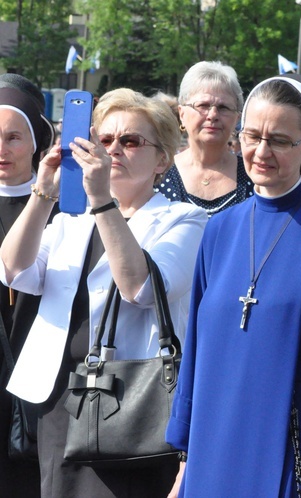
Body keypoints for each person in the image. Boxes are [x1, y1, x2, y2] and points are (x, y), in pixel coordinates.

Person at [165, 74, 301, 497]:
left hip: (297, 453)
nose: (261, 151)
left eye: (280, 140)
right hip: (213, 453)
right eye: (252, 136)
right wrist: (185, 464)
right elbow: (197, 353)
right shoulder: (220, 230)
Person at [0, 88, 208, 497]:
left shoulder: (185, 219)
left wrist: (100, 200)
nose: (114, 151)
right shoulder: (71, 220)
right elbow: (12, 269)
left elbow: (141, 288)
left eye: (130, 142)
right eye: (105, 140)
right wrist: (44, 193)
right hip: (59, 401)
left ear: (162, 159)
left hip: (130, 403)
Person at [0, 72, 55, 498]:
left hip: (40, 383)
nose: (1, 149)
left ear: (36, 140)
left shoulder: (62, 208)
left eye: (13, 137)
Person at [156, 61, 253, 216]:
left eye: (223, 107)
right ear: (182, 114)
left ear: (237, 118)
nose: (213, 115)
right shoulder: (157, 175)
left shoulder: (254, 177)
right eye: (203, 105)